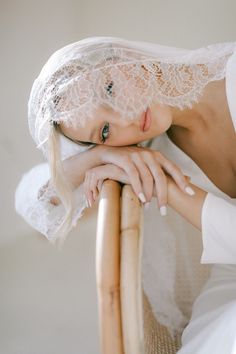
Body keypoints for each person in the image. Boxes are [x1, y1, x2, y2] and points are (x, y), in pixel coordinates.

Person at [15, 36, 236, 353]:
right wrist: (95, 158)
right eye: (104, 131)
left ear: (124, 55)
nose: (125, 118)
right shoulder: (155, 151)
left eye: (109, 90)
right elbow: (30, 201)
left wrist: (170, 189)